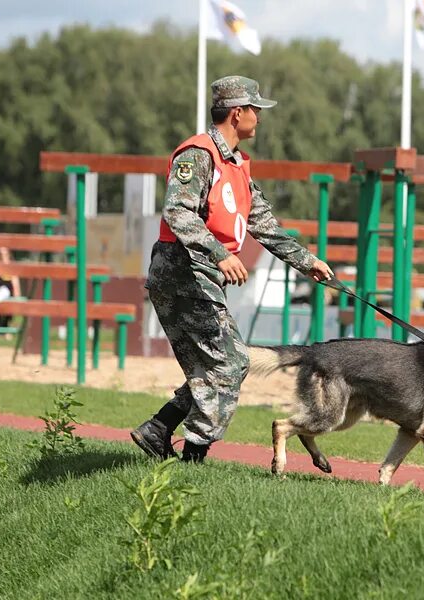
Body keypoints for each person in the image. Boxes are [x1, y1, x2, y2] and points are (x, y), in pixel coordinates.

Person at [131, 75, 333, 463]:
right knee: (233, 362)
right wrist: (219, 252)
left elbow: (265, 227)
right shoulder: (198, 155)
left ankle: (159, 429)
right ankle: (193, 456)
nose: (259, 117)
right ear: (237, 113)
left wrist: (308, 263)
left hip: (198, 275)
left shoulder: (237, 165)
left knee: (215, 365)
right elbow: (176, 211)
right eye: (256, 110)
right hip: (181, 271)